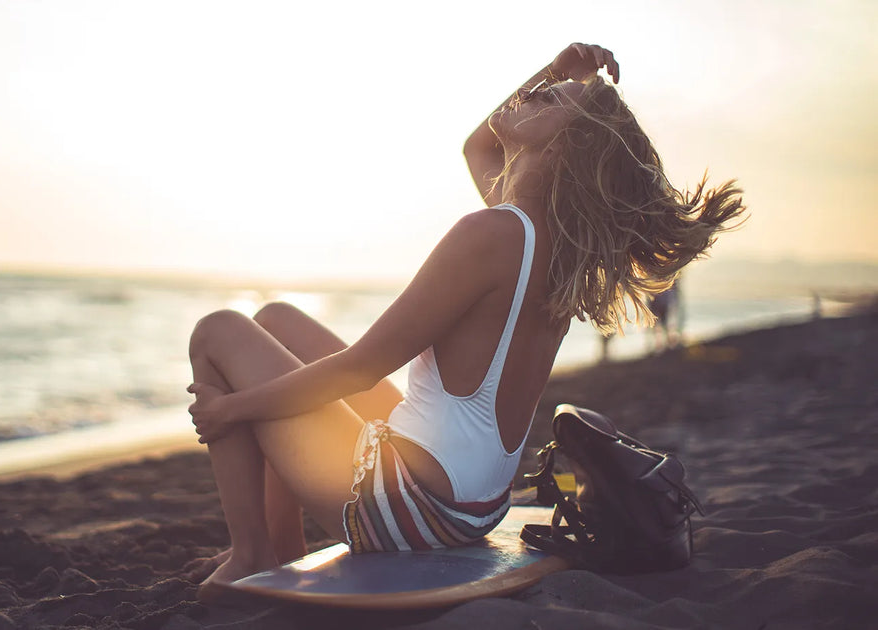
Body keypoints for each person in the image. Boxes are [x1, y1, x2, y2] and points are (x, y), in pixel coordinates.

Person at [186, 43, 744, 596]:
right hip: (469, 505)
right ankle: (279, 544)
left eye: (551, 98)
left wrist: (232, 410)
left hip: (415, 509)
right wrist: (556, 69)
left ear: (564, 148)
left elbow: (360, 368)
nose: (535, 94)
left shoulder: (493, 233)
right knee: (278, 319)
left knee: (217, 332)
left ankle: (251, 553)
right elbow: (479, 143)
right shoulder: (543, 237)